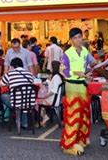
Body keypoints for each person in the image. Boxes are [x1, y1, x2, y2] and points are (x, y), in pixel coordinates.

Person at [60, 28, 96, 156]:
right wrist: (75, 73)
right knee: (73, 114)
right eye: (75, 38)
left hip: (83, 85)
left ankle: (81, 139)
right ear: (71, 40)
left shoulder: (85, 50)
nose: (78, 40)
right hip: (72, 85)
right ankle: (68, 145)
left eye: (79, 37)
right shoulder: (67, 53)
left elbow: (87, 66)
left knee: (84, 113)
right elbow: (63, 71)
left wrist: (89, 71)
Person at [0, 58, 35, 129]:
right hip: (29, 102)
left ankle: (13, 115)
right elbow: (32, 83)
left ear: (12, 66)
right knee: (24, 98)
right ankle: (24, 124)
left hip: (16, 102)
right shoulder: (29, 74)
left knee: (3, 96)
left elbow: (1, 84)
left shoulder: (10, 74)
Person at [36, 60, 64, 127]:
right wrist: (47, 81)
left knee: (35, 102)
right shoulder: (57, 76)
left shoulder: (56, 77)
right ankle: (44, 119)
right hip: (55, 98)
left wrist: (45, 96)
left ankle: (45, 117)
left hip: (52, 100)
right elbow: (51, 84)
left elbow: (53, 91)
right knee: (38, 100)